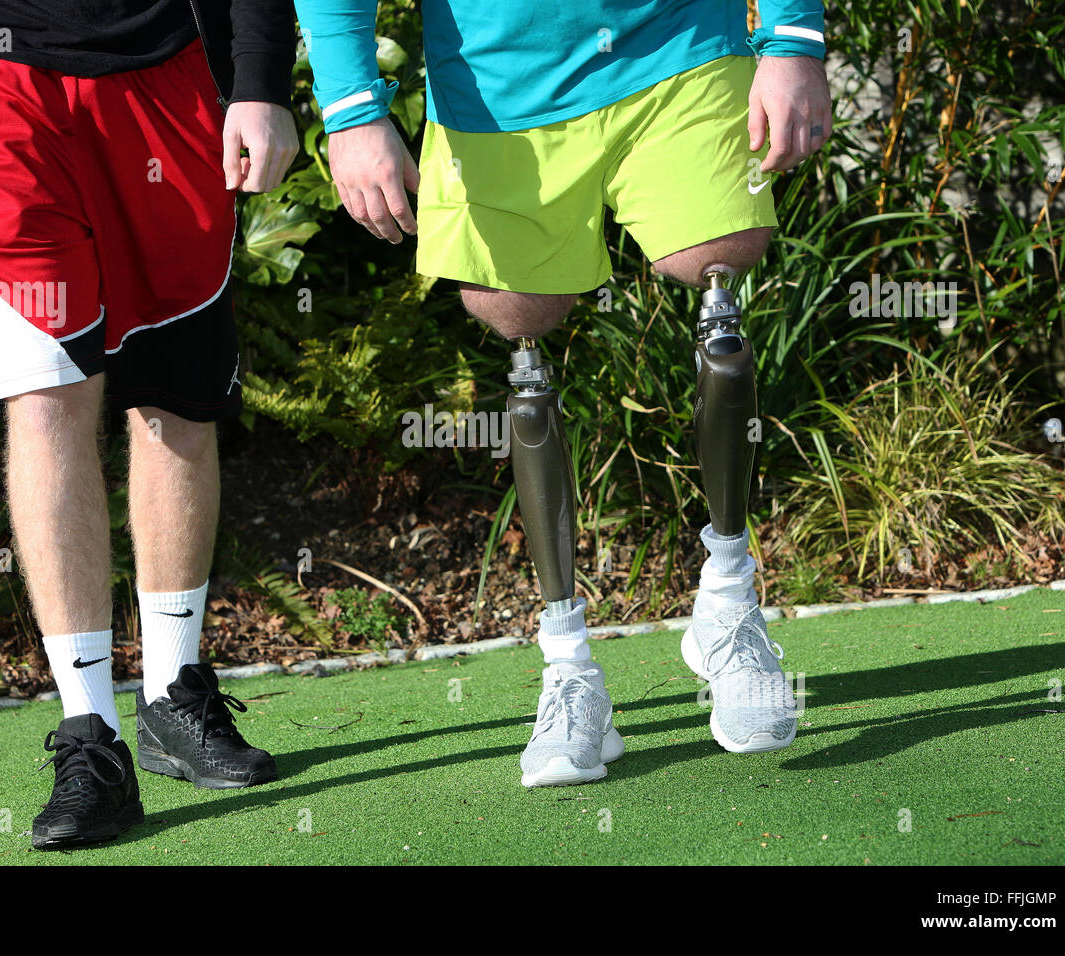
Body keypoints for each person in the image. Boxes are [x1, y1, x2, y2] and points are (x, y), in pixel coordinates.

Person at [293, 0, 831, 785]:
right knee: (519, 321)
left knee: (719, 265)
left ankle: (728, 601)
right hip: (494, 84)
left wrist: (794, 38)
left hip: (676, 41)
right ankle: (569, 665)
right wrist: (350, 107)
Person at [0, 0, 299, 847]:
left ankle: (173, 695)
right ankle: (91, 737)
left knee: (176, 401)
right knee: (47, 400)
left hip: (170, 77)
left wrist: (261, 80)